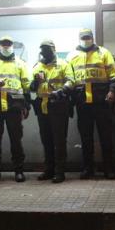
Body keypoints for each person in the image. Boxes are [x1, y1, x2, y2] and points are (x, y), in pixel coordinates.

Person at [67, 28, 115, 179]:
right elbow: (69, 79)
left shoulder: (104, 53)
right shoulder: (72, 56)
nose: (86, 40)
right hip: (82, 103)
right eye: (83, 37)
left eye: (88, 37)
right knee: (85, 138)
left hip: (102, 101)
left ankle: (109, 168)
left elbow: (113, 76)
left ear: (92, 38)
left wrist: (112, 91)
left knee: (106, 137)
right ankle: (88, 168)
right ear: (79, 38)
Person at [0, 35, 31, 183]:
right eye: (3, 44)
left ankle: (19, 171)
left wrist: (27, 105)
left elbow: (26, 86)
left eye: (8, 44)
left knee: (16, 140)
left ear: (12, 46)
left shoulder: (21, 63)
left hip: (14, 106)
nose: (6, 46)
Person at [30, 40, 74, 183]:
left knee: (59, 140)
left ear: (54, 49)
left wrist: (60, 91)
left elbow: (71, 81)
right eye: (42, 49)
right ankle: (49, 170)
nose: (44, 51)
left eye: (47, 48)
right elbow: (31, 88)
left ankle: (60, 171)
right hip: (42, 106)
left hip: (59, 105)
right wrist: (36, 82)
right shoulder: (37, 66)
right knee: (46, 139)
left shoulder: (63, 64)